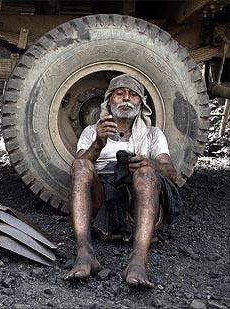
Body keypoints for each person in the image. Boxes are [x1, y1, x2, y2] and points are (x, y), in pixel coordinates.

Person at [64, 74, 180, 289]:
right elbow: (77, 169)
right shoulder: (92, 131)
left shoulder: (153, 135)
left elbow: (171, 172)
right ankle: (85, 253)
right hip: (101, 200)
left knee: (146, 174)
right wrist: (98, 144)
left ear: (141, 103)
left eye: (133, 95)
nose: (126, 98)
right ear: (109, 101)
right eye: (120, 93)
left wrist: (150, 164)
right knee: (81, 165)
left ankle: (138, 261)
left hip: (136, 202)